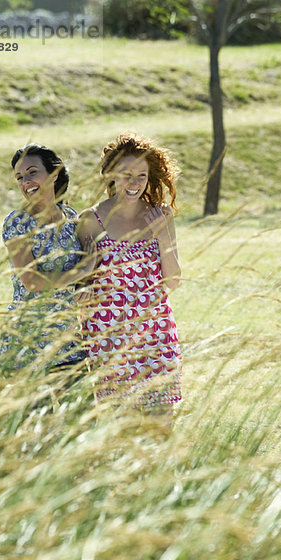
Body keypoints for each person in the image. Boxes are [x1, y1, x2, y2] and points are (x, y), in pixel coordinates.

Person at [77, 133, 182, 410]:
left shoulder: (161, 216)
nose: (134, 183)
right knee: (120, 435)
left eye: (141, 176)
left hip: (156, 334)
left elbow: (173, 281)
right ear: (111, 174)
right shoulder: (91, 220)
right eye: (126, 174)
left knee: (161, 427)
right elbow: (80, 291)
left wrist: (162, 236)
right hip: (108, 337)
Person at [0, 143, 96, 373]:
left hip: (70, 342)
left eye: (32, 172)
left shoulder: (72, 217)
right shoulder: (17, 222)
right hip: (27, 344)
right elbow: (32, 282)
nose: (26, 182)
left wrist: (85, 282)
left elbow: (85, 273)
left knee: (80, 409)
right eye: (20, 177)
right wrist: (83, 270)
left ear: (54, 175)